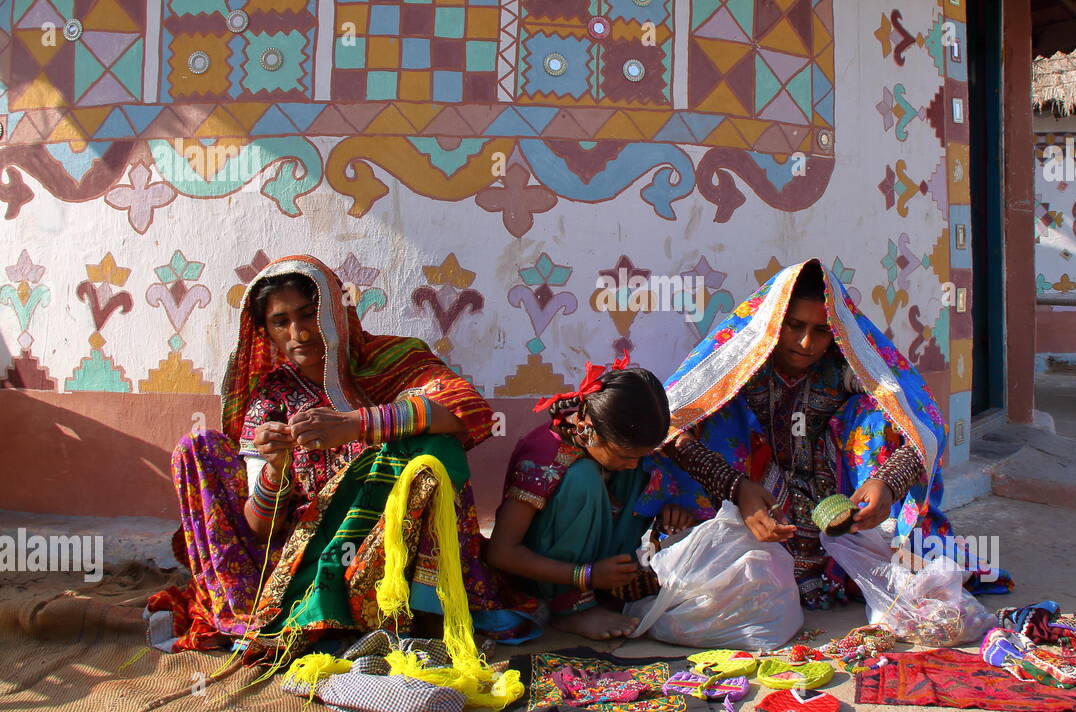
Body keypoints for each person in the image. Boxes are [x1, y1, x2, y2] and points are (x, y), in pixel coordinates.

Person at [146, 254, 540, 653]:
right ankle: (315, 606)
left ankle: (422, 609)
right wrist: (276, 470)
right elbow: (260, 529)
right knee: (195, 449)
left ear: (335, 310)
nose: (299, 333)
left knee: (435, 449)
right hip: (312, 555)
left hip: (390, 542)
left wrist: (355, 424)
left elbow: (466, 411)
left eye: (309, 315)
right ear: (266, 332)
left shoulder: (392, 360)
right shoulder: (272, 397)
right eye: (281, 322)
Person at [637, 259, 1007, 610]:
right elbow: (667, 426)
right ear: (773, 322)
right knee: (711, 416)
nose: (805, 343)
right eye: (794, 326)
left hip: (831, 498)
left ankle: (879, 542)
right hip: (750, 498)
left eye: (821, 331)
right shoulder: (738, 365)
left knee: (881, 411)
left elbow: (925, 424)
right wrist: (738, 489)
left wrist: (888, 484)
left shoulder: (847, 368)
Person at [485, 358, 690, 640]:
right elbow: (501, 552)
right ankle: (572, 607)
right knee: (584, 478)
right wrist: (585, 575)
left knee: (645, 470)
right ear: (590, 431)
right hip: (544, 575)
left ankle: (610, 588)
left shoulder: (617, 454)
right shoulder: (546, 458)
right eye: (622, 455)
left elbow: (639, 470)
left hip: (599, 570)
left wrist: (668, 513)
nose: (630, 464)